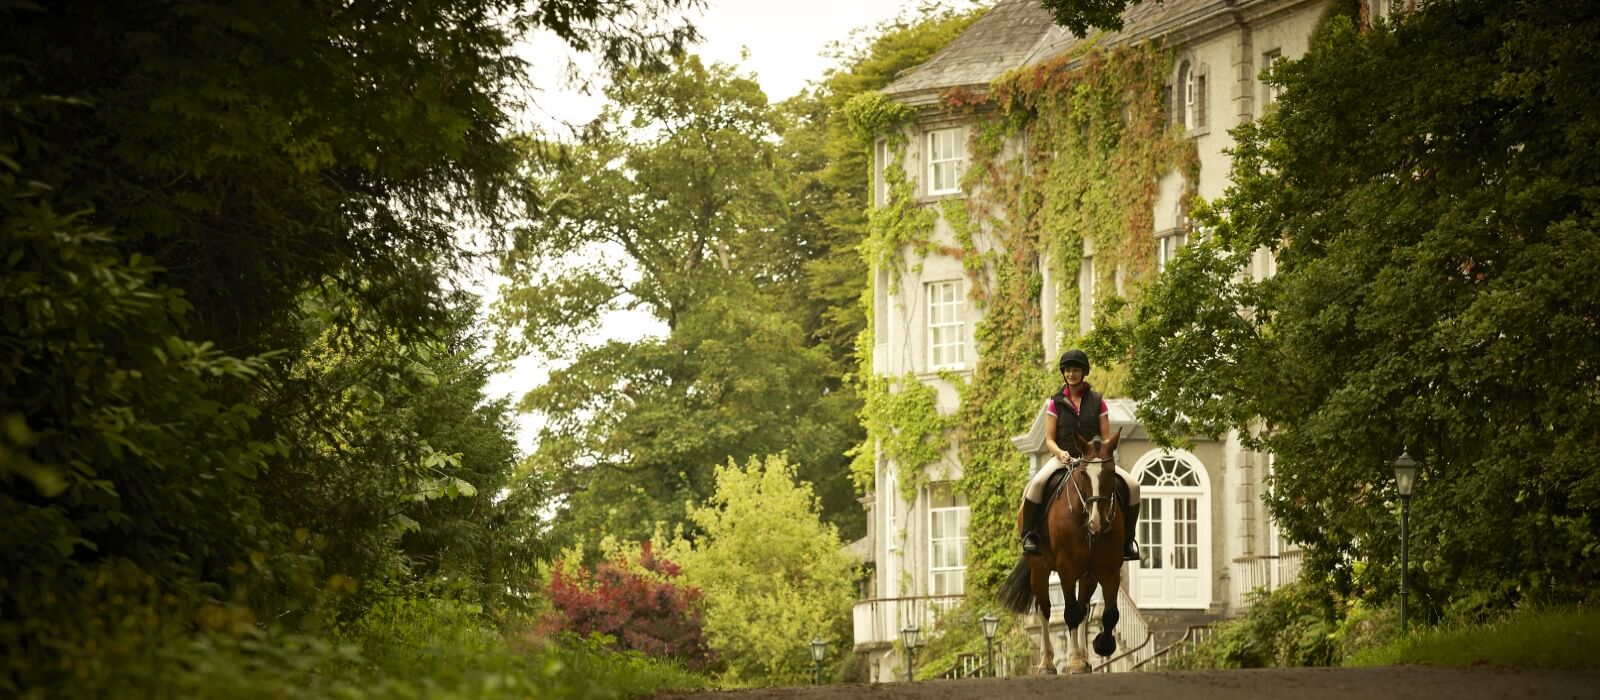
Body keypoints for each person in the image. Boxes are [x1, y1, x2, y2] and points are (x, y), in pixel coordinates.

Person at [1020, 349, 1142, 561]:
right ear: (1063, 373)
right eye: (1068, 370)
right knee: (1037, 484)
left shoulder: (1097, 401)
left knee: (1133, 485)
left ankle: (1127, 541)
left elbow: (1105, 437)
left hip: (1093, 460)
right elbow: (1049, 439)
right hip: (1063, 458)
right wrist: (1060, 453)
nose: (1071, 374)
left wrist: (1100, 455)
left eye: (1076, 370)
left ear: (1083, 372)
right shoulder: (1055, 403)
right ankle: (1030, 535)